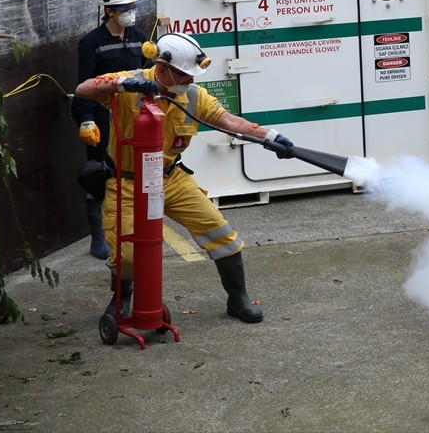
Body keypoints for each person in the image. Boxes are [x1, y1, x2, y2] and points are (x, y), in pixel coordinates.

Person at [73, 31, 296, 324]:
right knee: (126, 254)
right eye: (185, 75)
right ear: (162, 70)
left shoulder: (192, 96)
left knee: (220, 233)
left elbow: (230, 122)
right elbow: (83, 89)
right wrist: (121, 84)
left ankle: (237, 297)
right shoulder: (129, 83)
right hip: (126, 181)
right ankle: (122, 297)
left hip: (170, 178)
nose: (191, 81)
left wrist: (270, 138)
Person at [71, 0, 148, 259]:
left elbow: (151, 76)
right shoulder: (91, 43)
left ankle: (135, 229)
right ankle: (99, 237)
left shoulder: (140, 39)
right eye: (125, 7)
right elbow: (84, 86)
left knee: (135, 174)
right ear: (110, 10)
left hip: (134, 118)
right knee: (99, 174)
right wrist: (85, 120)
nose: (131, 11)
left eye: (132, 6)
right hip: (104, 119)